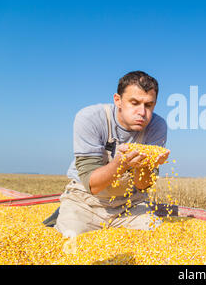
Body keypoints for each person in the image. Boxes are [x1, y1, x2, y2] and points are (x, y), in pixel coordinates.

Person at [50, 71, 170, 237]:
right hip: (86, 202)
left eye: (148, 105)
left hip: (130, 204)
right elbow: (92, 185)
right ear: (118, 100)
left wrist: (148, 164)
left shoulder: (157, 126)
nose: (142, 112)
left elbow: (143, 185)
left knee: (160, 237)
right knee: (71, 238)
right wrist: (122, 164)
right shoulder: (91, 118)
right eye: (134, 103)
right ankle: (63, 214)